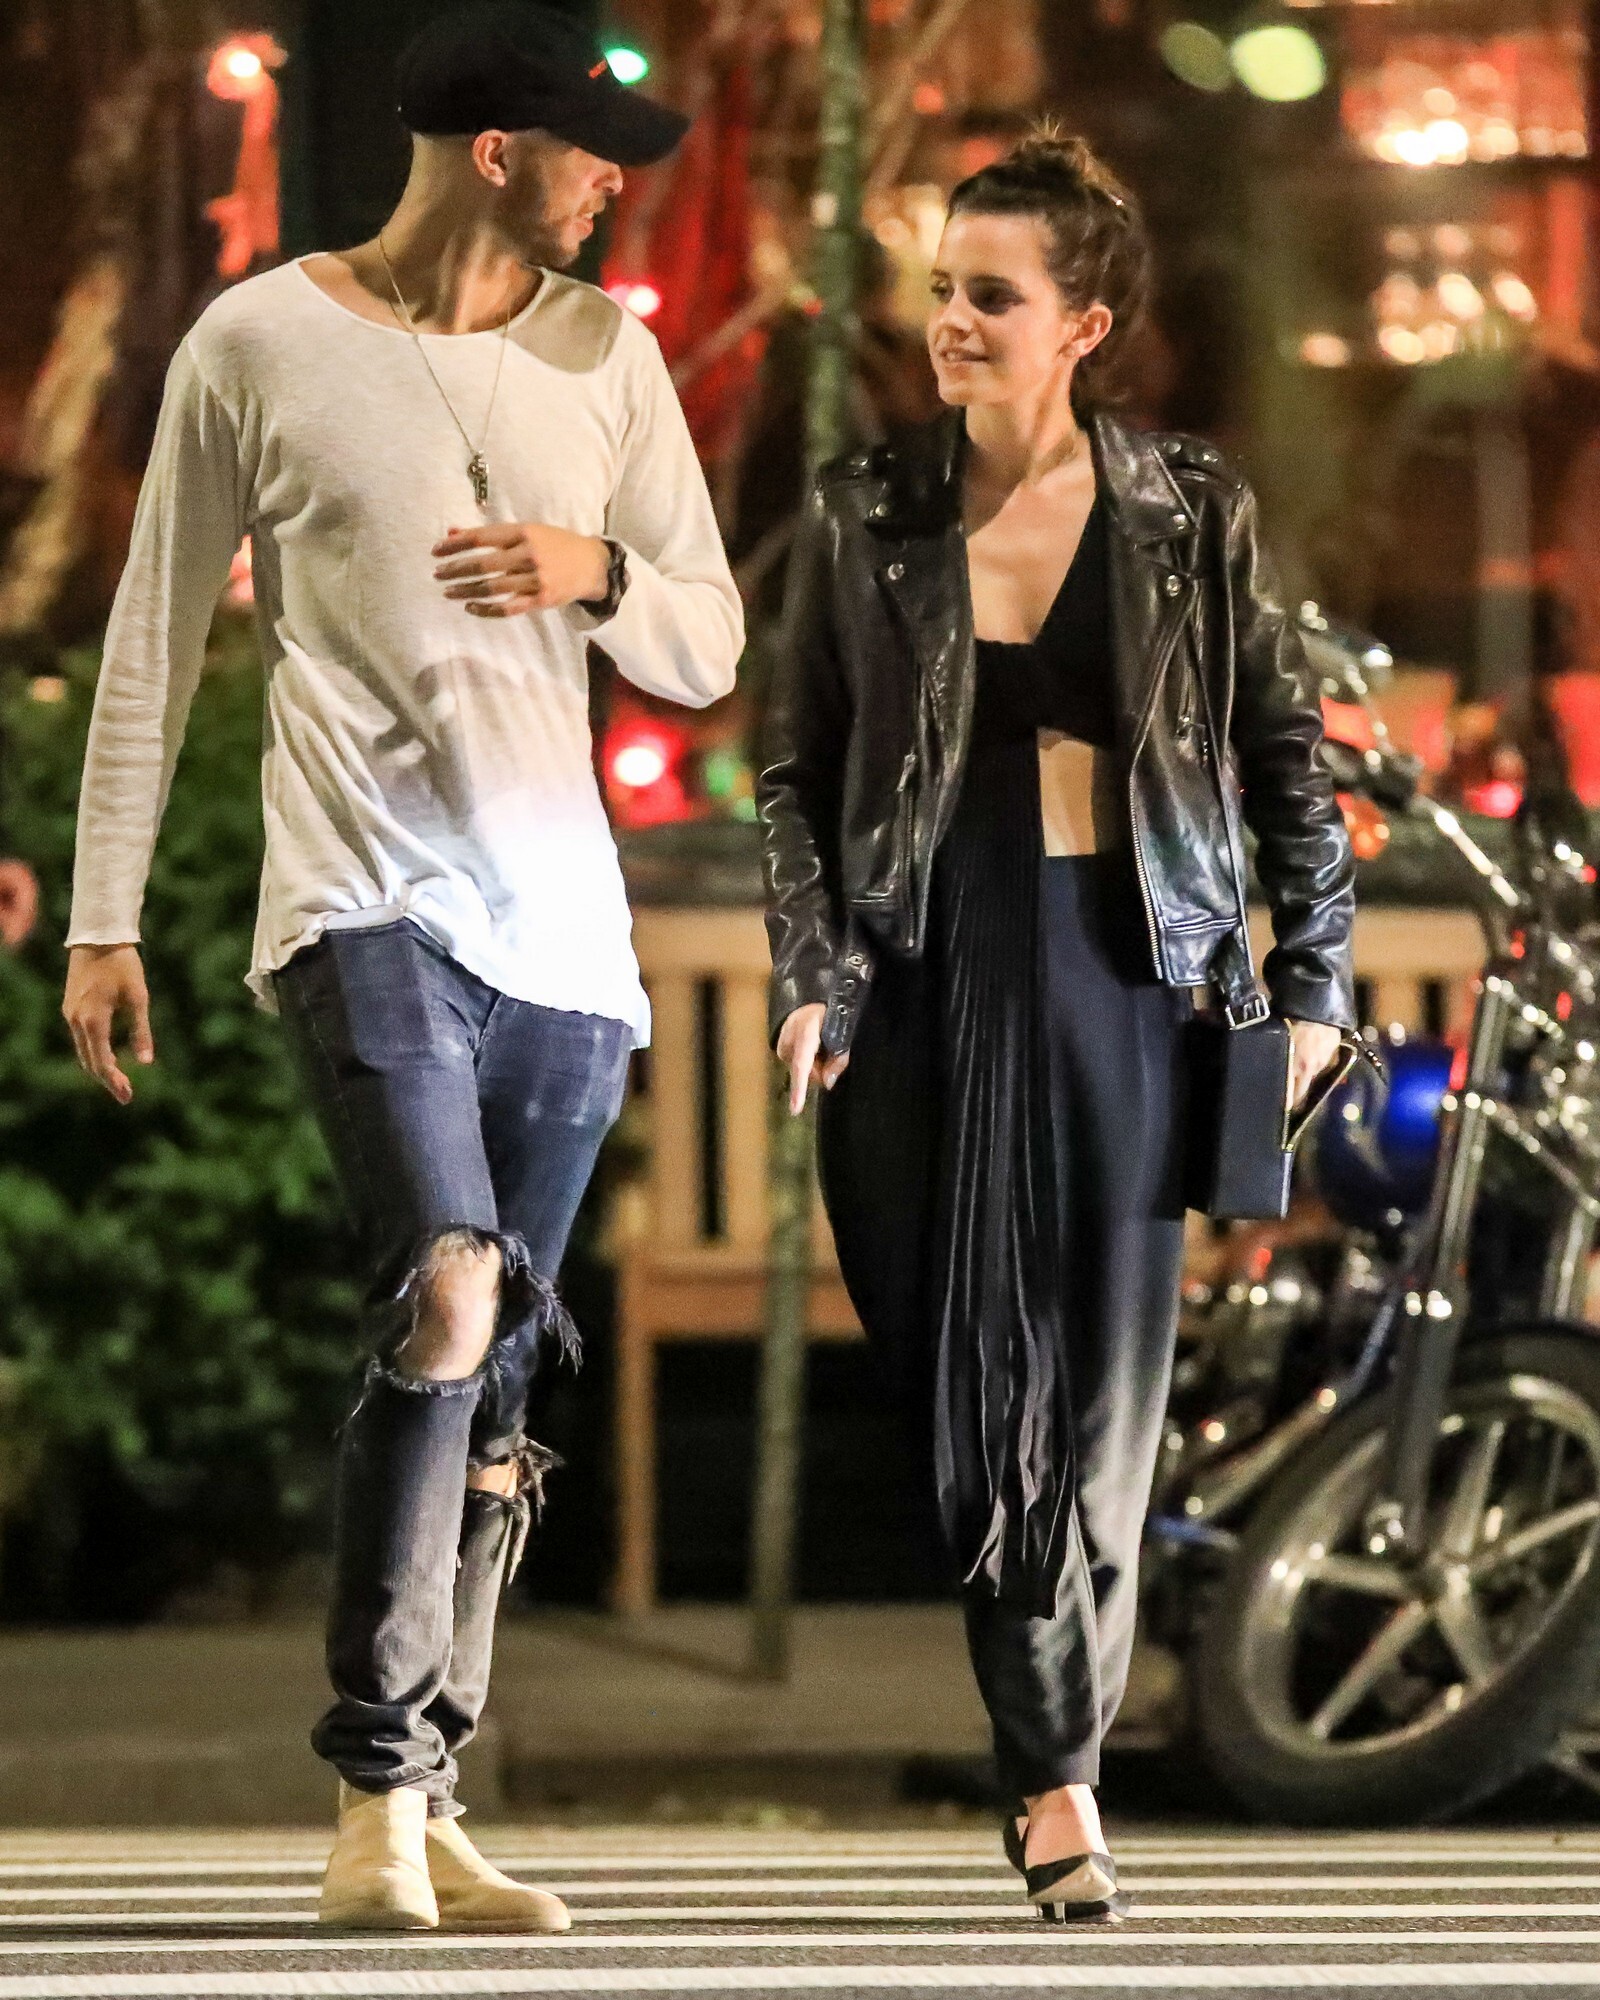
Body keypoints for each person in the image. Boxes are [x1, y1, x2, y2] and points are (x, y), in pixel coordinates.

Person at [62, 0, 741, 1934]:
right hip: (360, 902)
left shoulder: (609, 354)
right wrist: (105, 915)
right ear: (499, 153)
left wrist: (595, 573)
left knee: (500, 1368)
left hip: (566, 943)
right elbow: (149, 637)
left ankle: (431, 1791)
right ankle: (374, 1783)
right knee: (446, 1287)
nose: (617, 191)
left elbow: (706, 643)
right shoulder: (257, 342)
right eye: (595, 155)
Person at [758, 131, 1354, 1922]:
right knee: (971, 1397)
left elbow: (1283, 756)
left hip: (1124, 969)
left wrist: (1312, 983)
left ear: (1084, 325)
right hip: (923, 978)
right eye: (942, 289)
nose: (951, 321)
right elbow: (794, 771)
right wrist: (814, 971)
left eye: (992, 297)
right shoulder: (865, 509)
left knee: (1096, 1400)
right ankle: (1057, 1757)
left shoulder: (1188, 509)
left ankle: (1056, 1777)